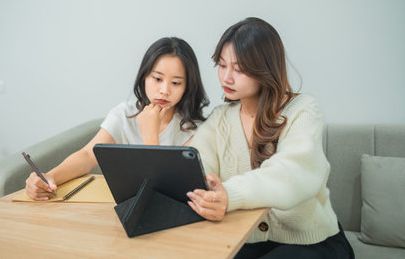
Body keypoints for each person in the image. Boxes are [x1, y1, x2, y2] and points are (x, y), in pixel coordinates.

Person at [186, 17, 355, 258]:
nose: (226, 78)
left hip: (312, 242)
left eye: (239, 68)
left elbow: (291, 172)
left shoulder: (303, 109)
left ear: (265, 69)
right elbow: (196, 165)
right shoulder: (220, 118)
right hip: (245, 240)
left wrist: (229, 195)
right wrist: (206, 192)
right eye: (222, 65)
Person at [25, 37, 209, 200]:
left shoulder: (195, 129)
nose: (164, 90)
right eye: (157, 79)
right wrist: (51, 176)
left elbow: (162, 189)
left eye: (176, 83)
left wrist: (150, 135)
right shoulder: (124, 114)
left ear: (188, 86)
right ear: (144, 77)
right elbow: (89, 155)